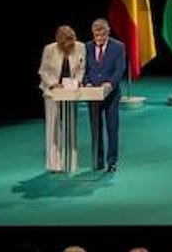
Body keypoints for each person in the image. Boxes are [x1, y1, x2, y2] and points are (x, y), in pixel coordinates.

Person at [38, 26, 85, 172]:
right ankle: (54, 164)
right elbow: (43, 71)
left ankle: (71, 163)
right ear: (59, 42)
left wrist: (77, 81)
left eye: (72, 41)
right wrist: (53, 84)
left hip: (71, 91)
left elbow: (81, 69)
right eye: (67, 43)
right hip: (53, 92)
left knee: (71, 125)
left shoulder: (81, 47)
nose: (71, 45)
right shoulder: (49, 49)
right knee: (53, 127)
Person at [83, 18, 125, 173]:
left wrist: (110, 83)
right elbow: (84, 69)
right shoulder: (86, 47)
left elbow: (119, 69)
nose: (98, 39)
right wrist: (86, 82)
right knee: (96, 129)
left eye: (101, 36)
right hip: (92, 95)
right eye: (96, 36)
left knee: (112, 129)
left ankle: (112, 161)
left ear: (107, 33)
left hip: (111, 96)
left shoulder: (118, 47)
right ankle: (97, 160)